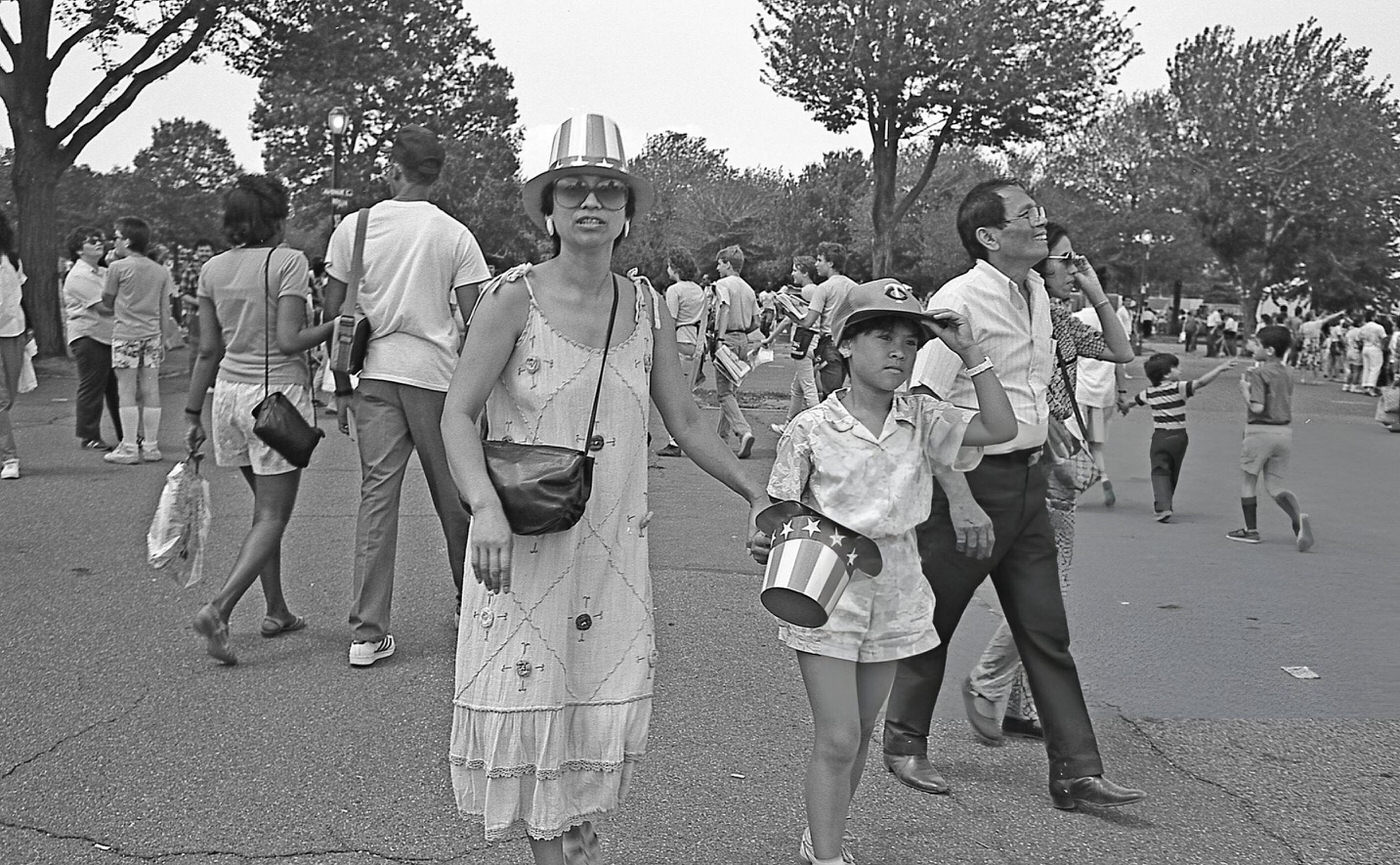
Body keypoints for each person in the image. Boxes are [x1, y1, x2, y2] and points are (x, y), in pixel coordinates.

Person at [440, 113, 767, 864]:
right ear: (549, 208)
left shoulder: (645, 304)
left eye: (608, 192)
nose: (591, 203)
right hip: (523, 540)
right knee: (534, 696)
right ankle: (554, 846)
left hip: (615, 544)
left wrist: (754, 489)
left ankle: (571, 831)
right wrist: (482, 507)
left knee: (592, 696)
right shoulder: (509, 298)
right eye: (575, 190)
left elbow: (684, 418)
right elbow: (457, 413)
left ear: (626, 213)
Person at [881, 178, 1145, 811]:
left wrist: (1051, 455)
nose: (1042, 222)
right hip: (970, 486)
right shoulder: (959, 301)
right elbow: (921, 406)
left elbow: (1038, 391)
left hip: (1028, 485)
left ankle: (1076, 771)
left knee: (1045, 630)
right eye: (1029, 215)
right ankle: (903, 742)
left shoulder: (1035, 297)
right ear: (990, 236)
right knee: (934, 620)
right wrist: (960, 497)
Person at [755, 279, 1015, 864]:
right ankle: (826, 857)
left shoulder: (923, 416)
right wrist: (769, 539)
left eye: (910, 340)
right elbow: (781, 509)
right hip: (826, 585)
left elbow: (1000, 428)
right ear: (845, 345)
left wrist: (969, 351)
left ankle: (823, 834)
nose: (899, 350)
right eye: (881, 336)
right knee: (839, 735)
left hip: (898, 585)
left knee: (862, 733)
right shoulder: (812, 429)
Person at [322, 125, 491, 667]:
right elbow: (476, 318)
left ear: (394, 169)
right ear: (436, 173)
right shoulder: (455, 235)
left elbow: (335, 314)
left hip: (374, 372)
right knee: (455, 497)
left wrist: (340, 386)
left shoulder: (356, 226)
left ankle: (367, 631)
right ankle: (472, 606)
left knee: (377, 497)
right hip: (437, 378)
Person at [963, 223, 1133, 743]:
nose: (1073, 267)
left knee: (1034, 590)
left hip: (1042, 463)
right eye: (1064, 259)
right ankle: (989, 680)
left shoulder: (1054, 317)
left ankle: (1017, 702)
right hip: (1029, 464)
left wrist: (1097, 291)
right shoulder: (1020, 314)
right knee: (1046, 594)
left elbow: (1120, 352)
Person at [183, 175, 334, 665]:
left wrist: (191, 412)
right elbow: (290, 341)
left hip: (226, 395)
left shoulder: (211, 270)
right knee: (273, 515)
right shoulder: (286, 262)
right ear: (276, 217)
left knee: (262, 513)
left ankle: (277, 610)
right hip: (276, 399)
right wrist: (341, 323)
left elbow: (208, 349)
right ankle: (219, 609)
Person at [1226, 325, 1314, 550]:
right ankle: (1298, 519)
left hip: (1259, 431)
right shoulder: (1288, 372)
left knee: (1249, 481)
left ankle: (1251, 530)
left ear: (1270, 350)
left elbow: (1257, 407)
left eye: (1256, 343)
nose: (1251, 346)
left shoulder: (1258, 373)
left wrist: (1245, 391)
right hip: (1284, 432)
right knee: (1275, 485)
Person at [1128, 353, 1236, 521]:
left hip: (1160, 437)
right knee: (1173, 470)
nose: (1180, 370)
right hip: (1179, 437)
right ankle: (1167, 501)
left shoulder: (1149, 393)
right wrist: (1219, 369)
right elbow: (1201, 382)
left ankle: (1163, 506)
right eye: (1176, 368)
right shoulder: (1179, 388)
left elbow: (1132, 401)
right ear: (1166, 374)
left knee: (1159, 470)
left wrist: (1124, 406)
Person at [100, 216, 173, 465]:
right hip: (152, 334)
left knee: (126, 390)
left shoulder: (117, 268)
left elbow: (107, 301)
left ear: (128, 240)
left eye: (117, 237)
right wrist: (164, 338)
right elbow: (165, 308)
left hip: (126, 334)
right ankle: (151, 446)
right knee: (151, 389)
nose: (114, 242)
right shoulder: (160, 271)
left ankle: (129, 446)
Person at [62, 227, 124, 451]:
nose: (99, 243)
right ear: (79, 250)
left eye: (100, 239)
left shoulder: (102, 271)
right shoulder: (79, 276)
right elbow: (104, 307)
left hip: (108, 335)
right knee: (93, 386)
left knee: (116, 388)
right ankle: (89, 435)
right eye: (91, 241)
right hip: (89, 336)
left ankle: (126, 434)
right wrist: (131, 304)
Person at [657, 248, 706, 458]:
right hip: (696, 341)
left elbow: (670, 320)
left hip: (679, 339)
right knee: (688, 393)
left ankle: (675, 440)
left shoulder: (675, 290)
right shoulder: (699, 290)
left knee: (674, 395)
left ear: (675, 268)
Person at [712, 244, 760, 458]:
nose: (717, 268)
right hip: (743, 339)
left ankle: (743, 431)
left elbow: (724, 307)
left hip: (728, 337)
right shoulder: (748, 289)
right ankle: (721, 436)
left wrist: (719, 338)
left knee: (723, 393)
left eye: (720, 263)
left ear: (728, 264)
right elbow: (756, 320)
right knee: (731, 390)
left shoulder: (723, 284)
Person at [800, 242, 859, 400]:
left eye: (820, 260)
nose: (816, 264)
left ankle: (830, 423)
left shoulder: (824, 288)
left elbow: (808, 321)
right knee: (845, 390)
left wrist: (789, 312)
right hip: (849, 342)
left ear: (831, 263)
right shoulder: (854, 287)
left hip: (829, 343)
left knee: (829, 394)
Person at [0, 210, 25, 480]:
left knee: (10, 399)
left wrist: (29, 332)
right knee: (1, 400)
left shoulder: (12, 260)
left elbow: (19, 299)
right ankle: (10, 457)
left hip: (12, 333)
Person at [180, 239, 216, 377]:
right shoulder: (190, 270)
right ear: (196, 253)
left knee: (216, 348)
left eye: (207, 251)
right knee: (197, 348)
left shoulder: (218, 268)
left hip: (216, 314)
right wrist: (201, 303)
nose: (204, 254)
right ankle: (195, 380)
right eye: (201, 251)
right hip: (195, 315)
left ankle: (212, 381)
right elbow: (183, 293)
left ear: (212, 252)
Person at [1357, 312, 1387, 397]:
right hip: (1375, 348)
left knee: (1366, 367)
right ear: (1373, 317)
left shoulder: (1363, 327)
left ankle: (1365, 385)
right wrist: (1382, 347)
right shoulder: (1378, 327)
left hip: (1365, 347)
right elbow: (1384, 338)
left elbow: (1358, 338)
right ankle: (1371, 386)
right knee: (1375, 368)